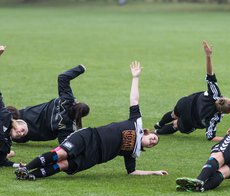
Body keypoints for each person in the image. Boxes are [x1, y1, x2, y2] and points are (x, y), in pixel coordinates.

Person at [15, 61, 168, 180]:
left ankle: (32, 176)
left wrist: (154, 172)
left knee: (63, 165)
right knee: (61, 154)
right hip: (90, 137)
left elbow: (132, 172)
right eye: (154, 138)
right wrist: (135, 78)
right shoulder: (136, 123)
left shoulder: (133, 153)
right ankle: (26, 168)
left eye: (154, 144)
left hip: (94, 157)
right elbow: (134, 99)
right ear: (147, 133)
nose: (153, 141)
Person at [154, 41, 230, 142]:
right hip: (189, 120)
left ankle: (159, 124)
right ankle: (157, 132)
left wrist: (208, 56)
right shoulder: (214, 117)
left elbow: (210, 74)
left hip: (185, 103)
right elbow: (211, 137)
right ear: (222, 112)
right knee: (175, 125)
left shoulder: (215, 93)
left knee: (173, 114)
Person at [8, 64, 90, 144]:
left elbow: (63, 77)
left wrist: (81, 68)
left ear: (77, 103)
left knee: (6, 118)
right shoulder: (68, 126)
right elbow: (65, 143)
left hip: (23, 115)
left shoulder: (67, 99)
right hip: (24, 136)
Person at [0, 92, 29, 167]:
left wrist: (18, 165)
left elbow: (2, 162)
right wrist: (12, 120)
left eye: (23, 135)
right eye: (22, 130)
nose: (21, 134)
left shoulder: (7, 145)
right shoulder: (5, 117)